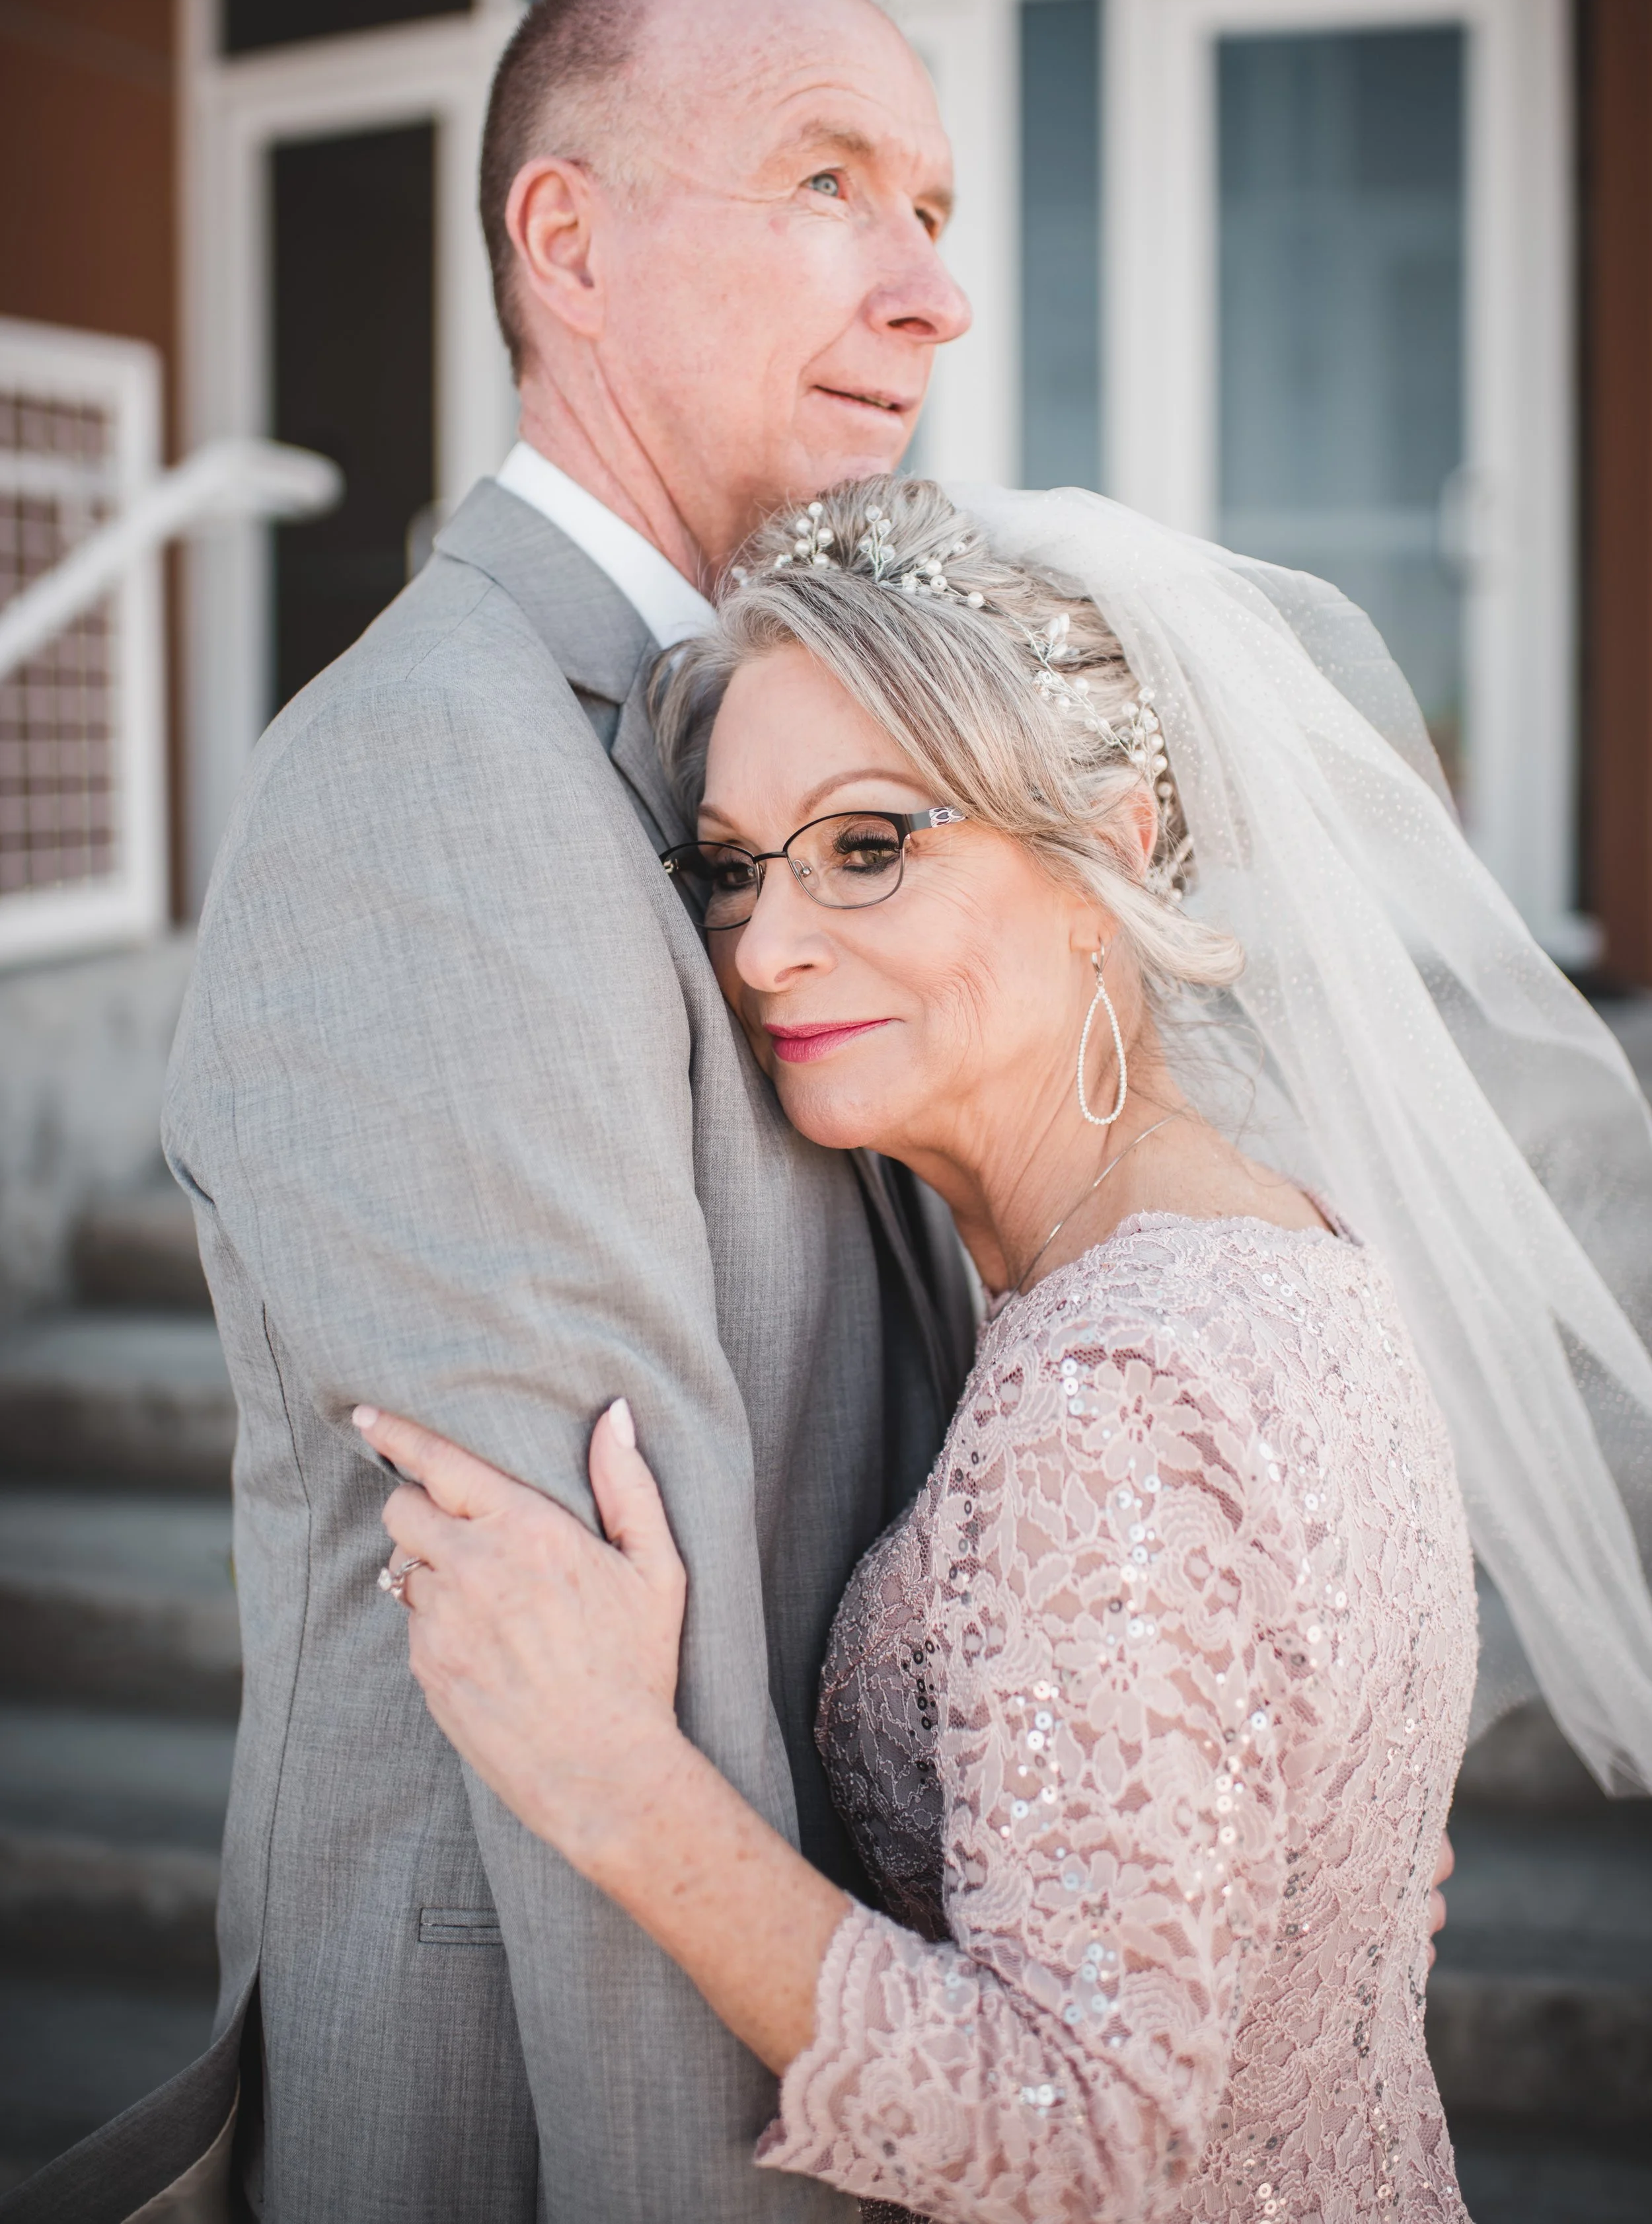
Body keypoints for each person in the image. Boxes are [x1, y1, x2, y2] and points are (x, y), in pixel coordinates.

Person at [351, 475, 1652, 2221]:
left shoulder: (1117, 1394)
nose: (763, 944)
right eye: (731, 867)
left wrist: (606, 1772)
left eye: (867, 844)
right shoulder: (1270, 1242)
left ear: (1106, 858)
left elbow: (1072, 2125)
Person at [3, 0, 975, 2224]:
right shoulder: (427, 780)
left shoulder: (762, 730)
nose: (930, 291)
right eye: (831, 181)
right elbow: (588, 1711)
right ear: (567, 243)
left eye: (933, 204)